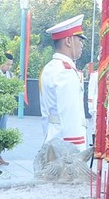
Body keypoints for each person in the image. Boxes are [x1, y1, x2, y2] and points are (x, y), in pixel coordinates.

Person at [39, 14, 88, 151]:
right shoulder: (65, 72)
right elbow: (70, 116)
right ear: (68, 41)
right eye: (79, 39)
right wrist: (77, 152)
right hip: (66, 150)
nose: (81, 44)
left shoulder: (51, 68)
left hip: (53, 142)